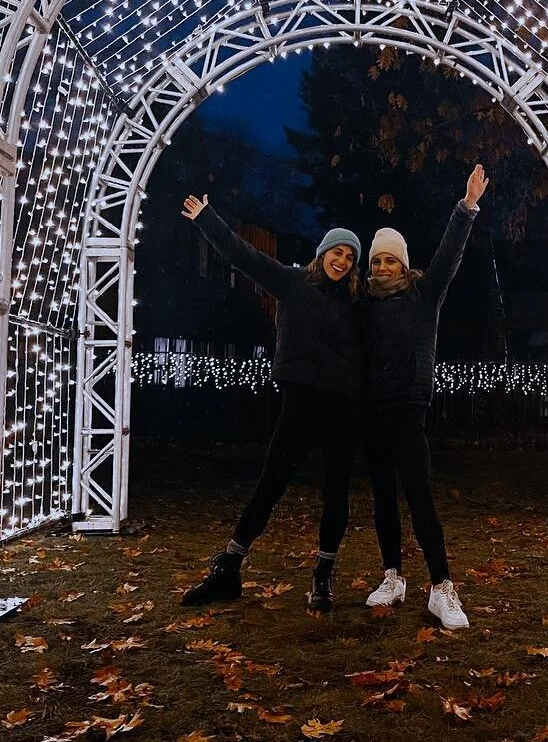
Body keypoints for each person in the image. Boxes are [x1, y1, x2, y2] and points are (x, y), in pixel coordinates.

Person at [177, 193, 363, 613]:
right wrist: (207, 219)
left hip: (343, 408)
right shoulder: (293, 283)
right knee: (270, 485)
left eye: (350, 258)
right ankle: (229, 567)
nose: (343, 262)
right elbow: (246, 257)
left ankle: (323, 575)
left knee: (337, 493)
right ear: (323, 253)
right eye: (337, 252)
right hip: (299, 402)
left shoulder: (357, 300)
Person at [360, 164, 489, 630]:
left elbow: (449, 256)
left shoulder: (423, 294)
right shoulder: (365, 303)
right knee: (382, 499)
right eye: (375, 261)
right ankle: (392, 576)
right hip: (370, 413)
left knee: (420, 498)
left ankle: (441, 587)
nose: (381, 267)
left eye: (389, 260)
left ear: (402, 262)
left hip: (408, 411)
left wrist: (467, 206)